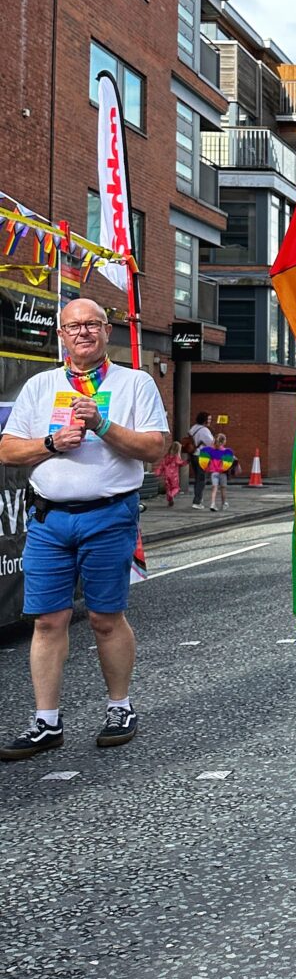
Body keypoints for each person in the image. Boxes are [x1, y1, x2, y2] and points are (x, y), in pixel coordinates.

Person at [0, 297, 168, 760]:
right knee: (48, 621)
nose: (82, 333)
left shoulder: (134, 383)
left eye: (92, 325)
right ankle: (46, 722)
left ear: (106, 331)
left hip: (109, 514)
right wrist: (51, 443)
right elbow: (8, 450)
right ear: (61, 335)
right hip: (49, 519)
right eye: (73, 327)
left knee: (104, 619)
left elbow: (156, 447)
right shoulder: (40, 386)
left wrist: (104, 424)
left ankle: (119, 707)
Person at [185, 410, 214, 508]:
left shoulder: (193, 428)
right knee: (201, 479)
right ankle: (197, 502)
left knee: (197, 478)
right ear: (204, 420)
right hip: (202, 456)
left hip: (193, 455)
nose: (210, 421)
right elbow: (211, 443)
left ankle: (198, 498)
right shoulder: (204, 430)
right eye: (209, 419)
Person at [208, 432, 239, 513]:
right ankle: (223, 503)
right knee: (223, 489)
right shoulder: (226, 451)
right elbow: (232, 460)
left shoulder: (212, 451)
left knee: (214, 488)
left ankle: (212, 503)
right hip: (222, 473)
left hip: (214, 472)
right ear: (223, 441)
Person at [155, 440, 186, 507]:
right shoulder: (176, 457)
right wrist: (186, 462)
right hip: (174, 475)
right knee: (176, 488)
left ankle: (170, 500)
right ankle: (172, 495)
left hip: (166, 475)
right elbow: (180, 463)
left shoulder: (166, 456)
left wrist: (158, 472)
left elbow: (162, 465)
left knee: (168, 488)